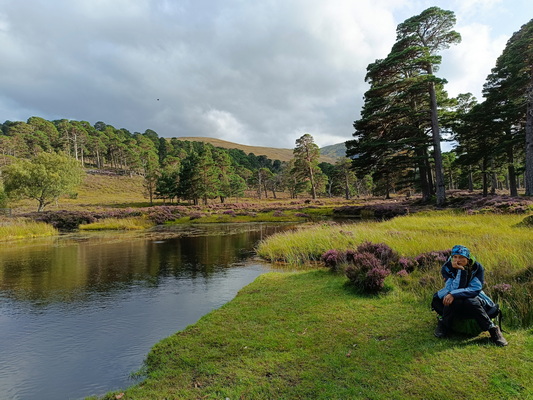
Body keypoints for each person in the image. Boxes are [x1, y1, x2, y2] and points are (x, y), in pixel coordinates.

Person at [431, 245, 508, 346]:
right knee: (453, 300)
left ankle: (493, 330)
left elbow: (474, 289)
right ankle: (444, 325)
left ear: (467, 258)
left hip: (473, 297)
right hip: (455, 297)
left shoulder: (477, 267)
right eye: (455, 257)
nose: (457, 260)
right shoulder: (447, 267)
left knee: (470, 301)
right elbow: (451, 288)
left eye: (461, 257)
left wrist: (453, 294)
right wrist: (461, 271)